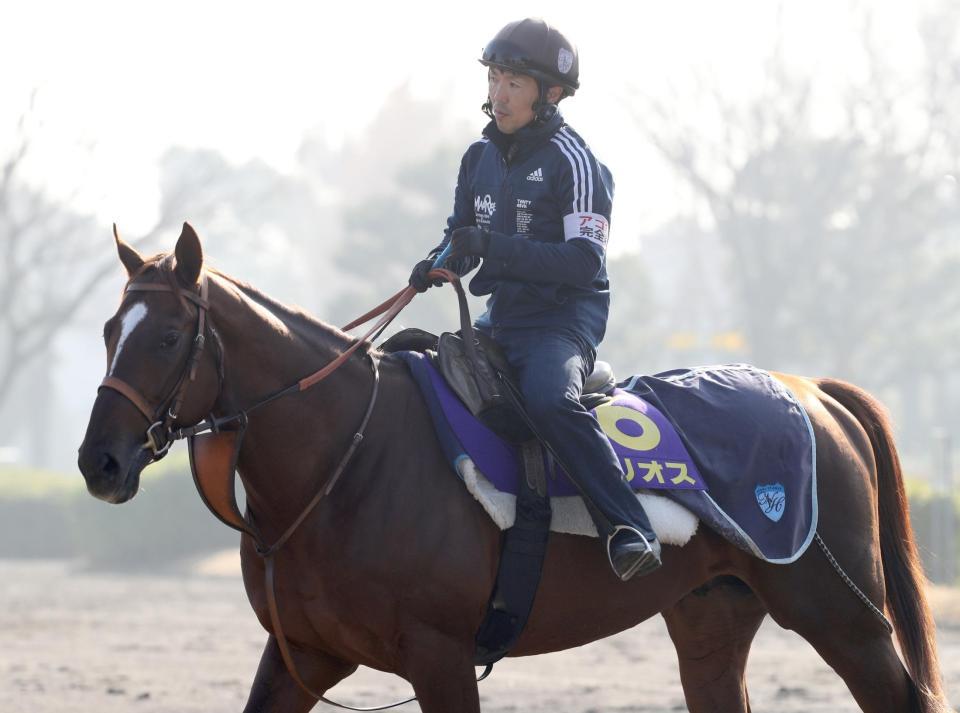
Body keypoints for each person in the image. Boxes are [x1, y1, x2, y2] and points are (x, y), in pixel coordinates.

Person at [409, 18, 661, 581]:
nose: (498, 93)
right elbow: (462, 236)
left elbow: (583, 262)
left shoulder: (576, 161)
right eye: (495, 77)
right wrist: (440, 260)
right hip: (502, 319)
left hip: (562, 323)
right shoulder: (477, 158)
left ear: (551, 94)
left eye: (514, 82)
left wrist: (488, 245)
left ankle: (629, 525)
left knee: (549, 400)